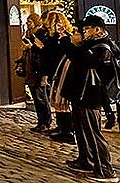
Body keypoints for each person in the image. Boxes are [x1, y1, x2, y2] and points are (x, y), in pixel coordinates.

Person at [58, 15, 120, 182]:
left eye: (87, 29)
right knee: (81, 130)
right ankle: (85, 161)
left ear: (97, 29)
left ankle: (106, 170)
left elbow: (82, 60)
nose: (84, 32)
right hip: (80, 94)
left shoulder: (102, 46)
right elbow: (78, 55)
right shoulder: (90, 44)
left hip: (90, 96)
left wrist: (67, 42)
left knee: (94, 133)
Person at [45, 11, 75, 143]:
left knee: (62, 103)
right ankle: (61, 127)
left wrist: (43, 48)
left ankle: (67, 131)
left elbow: (57, 53)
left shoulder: (65, 39)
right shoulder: (54, 38)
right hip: (56, 72)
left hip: (63, 72)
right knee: (58, 102)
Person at [21, 13, 50, 133]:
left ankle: (46, 122)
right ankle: (40, 121)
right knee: (36, 97)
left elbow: (43, 51)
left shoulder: (41, 34)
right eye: (27, 22)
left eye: (30, 22)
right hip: (31, 69)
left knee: (41, 97)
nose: (28, 24)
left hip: (38, 69)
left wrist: (31, 47)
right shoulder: (28, 34)